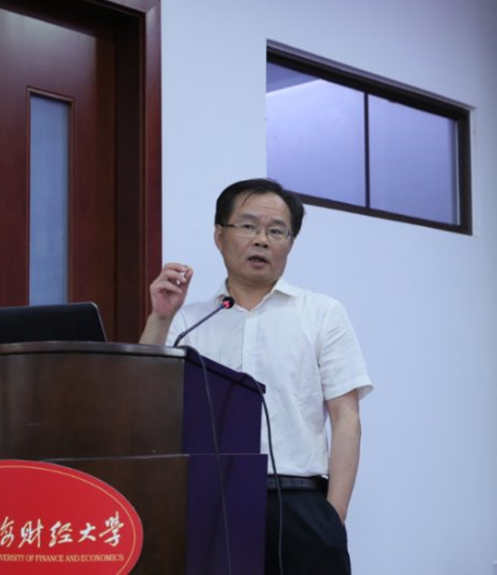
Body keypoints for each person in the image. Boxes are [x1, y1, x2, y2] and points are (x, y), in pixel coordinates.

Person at [139, 178, 373, 575]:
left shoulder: (322, 313)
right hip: (209, 503)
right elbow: (145, 400)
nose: (262, 240)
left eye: (276, 231)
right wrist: (160, 318)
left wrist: (333, 517)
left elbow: (346, 418)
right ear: (219, 235)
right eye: (248, 226)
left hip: (299, 501)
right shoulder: (189, 320)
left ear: (290, 243)